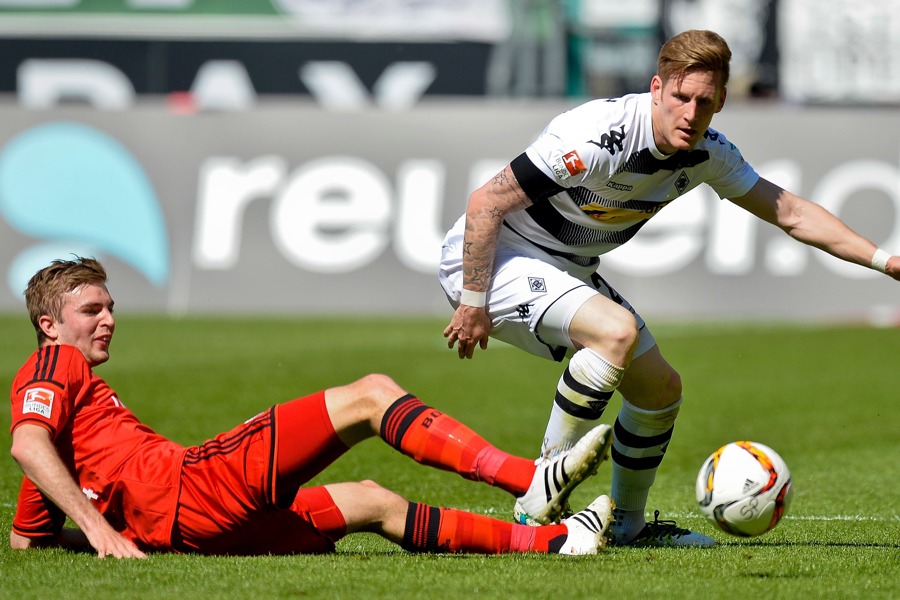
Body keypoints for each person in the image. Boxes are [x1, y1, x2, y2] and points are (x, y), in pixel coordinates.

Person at [439, 29, 899, 547]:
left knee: (659, 390)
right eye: (680, 97)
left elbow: (791, 213)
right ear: (657, 89)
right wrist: (474, 302)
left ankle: (628, 526)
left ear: (721, 101)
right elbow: (485, 203)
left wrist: (887, 261)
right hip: (494, 256)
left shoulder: (708, 153)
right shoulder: (597, 135)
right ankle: (537, 502)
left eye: (704, 102)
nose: (690, 112)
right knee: (615, 333)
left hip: (567, 266)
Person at [8, 257, 617, 559]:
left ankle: (556, 544)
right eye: (92, 311)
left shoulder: (59, 452)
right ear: (49, 325)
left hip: (193, 531)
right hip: (194, 487)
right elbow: (26, 443)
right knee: (371, 395)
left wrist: (107, 529)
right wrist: (99, 531)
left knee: (373, 501)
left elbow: (26, 543)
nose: (109, 320)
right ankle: (528, 479)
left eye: (110, 306)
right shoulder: (55, 363)